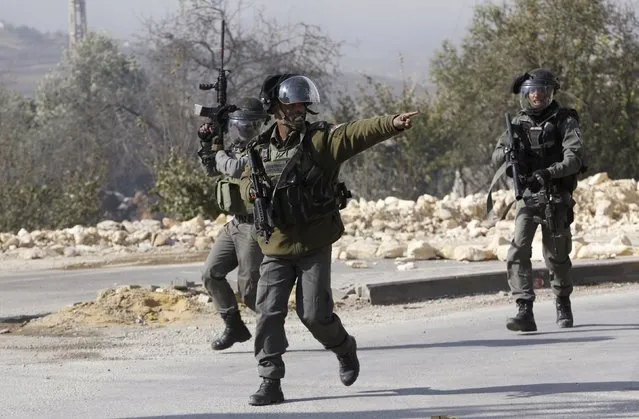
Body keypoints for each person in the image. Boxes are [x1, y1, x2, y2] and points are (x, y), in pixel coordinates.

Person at [239, 73, 419, 405]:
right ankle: (269, 379)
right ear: (274, 107)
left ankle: (344, 348)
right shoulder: (258, 149)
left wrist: (391, 123)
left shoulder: (319, 142)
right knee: (268, 311)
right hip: (276, 244)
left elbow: (354, 134)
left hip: (313, 242)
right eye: (289, 104)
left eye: (301, 104)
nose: (297, 110)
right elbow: (245, 184)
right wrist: (249, 191)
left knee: (314, 314)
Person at [491, 68, 585, 333]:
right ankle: (524, 308)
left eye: (542, 91)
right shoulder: (517, 123)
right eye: (532, 92)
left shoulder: (565, 120)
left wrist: (548, 172)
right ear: (526, 95)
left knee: (556, 255)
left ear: (550, 93)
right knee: (518, 249)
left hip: (555, 195)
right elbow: (496, 157)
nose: (537, 96)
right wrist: (509, 153)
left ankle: (562, 301)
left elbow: (574, 159)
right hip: (528, 197)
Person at [197, 97, 269, 350]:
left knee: (249, 290)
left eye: (249, 125)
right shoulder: (237, 146)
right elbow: (212, 170)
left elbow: (235, 168)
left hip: (255, 226)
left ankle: (270, 332)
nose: (244, 129)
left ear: (261, 124)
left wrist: (218, 151)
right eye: (240, 125)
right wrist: (208, 141)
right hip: (236, 223)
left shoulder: (265, 147)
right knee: (211, 274)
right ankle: (234, 327)